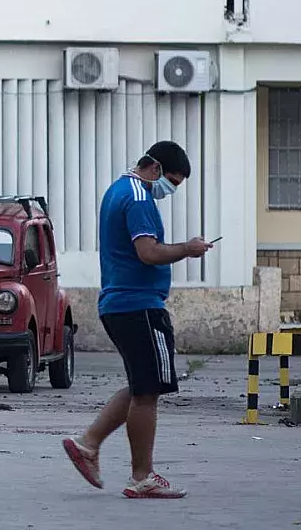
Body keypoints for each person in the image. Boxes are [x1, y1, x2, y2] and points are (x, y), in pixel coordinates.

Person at [62, 140, 212, 499]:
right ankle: (142, 475)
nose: (171, 190)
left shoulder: (118, 189)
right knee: (148, 391)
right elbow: (148, 253)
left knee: (142, 384)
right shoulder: (140, 198)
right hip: (139, 305)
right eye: (173, 182)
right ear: (156, 169)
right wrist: (188, 250)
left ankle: (88, 444)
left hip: (120, 303)